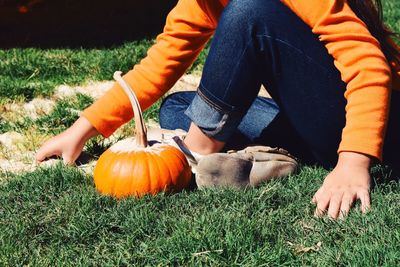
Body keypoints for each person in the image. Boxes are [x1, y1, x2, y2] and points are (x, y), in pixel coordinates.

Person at [36, 0, 400, 219]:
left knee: (250, 13)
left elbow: (369, 65)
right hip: (318, 124)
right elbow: (157, 65)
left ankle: (199, 153)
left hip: (385, 126)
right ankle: (273, 158)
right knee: (179, 108)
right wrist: (82, 129)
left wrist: (354, 161)